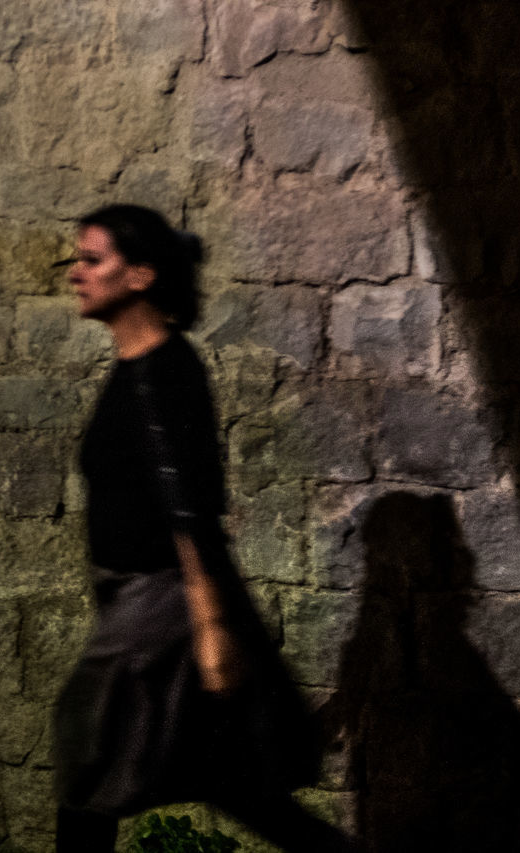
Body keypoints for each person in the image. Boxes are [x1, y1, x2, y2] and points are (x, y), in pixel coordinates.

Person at [52, 204, 355, 853]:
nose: (75, 273)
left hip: (157, 602)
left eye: (91, 259)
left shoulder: (162, 373)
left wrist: (211, 625)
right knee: (234, 783)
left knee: (88, 755)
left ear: (139, 275)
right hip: (143, 598)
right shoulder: (139, 366)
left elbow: (188, 507)